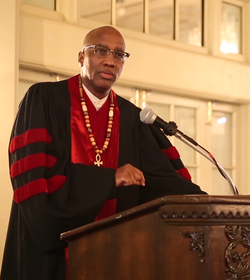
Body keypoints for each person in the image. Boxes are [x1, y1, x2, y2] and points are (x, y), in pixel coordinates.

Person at [1, 25, 206, 280]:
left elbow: (163, 179)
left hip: (115, 256)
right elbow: (33, 179)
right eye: (100, 51)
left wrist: (206, 204)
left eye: (119, 55)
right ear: (81, 57)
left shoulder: (131, 116)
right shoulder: (44, 99)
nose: (110, 61)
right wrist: (109, 179)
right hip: (52, 259)